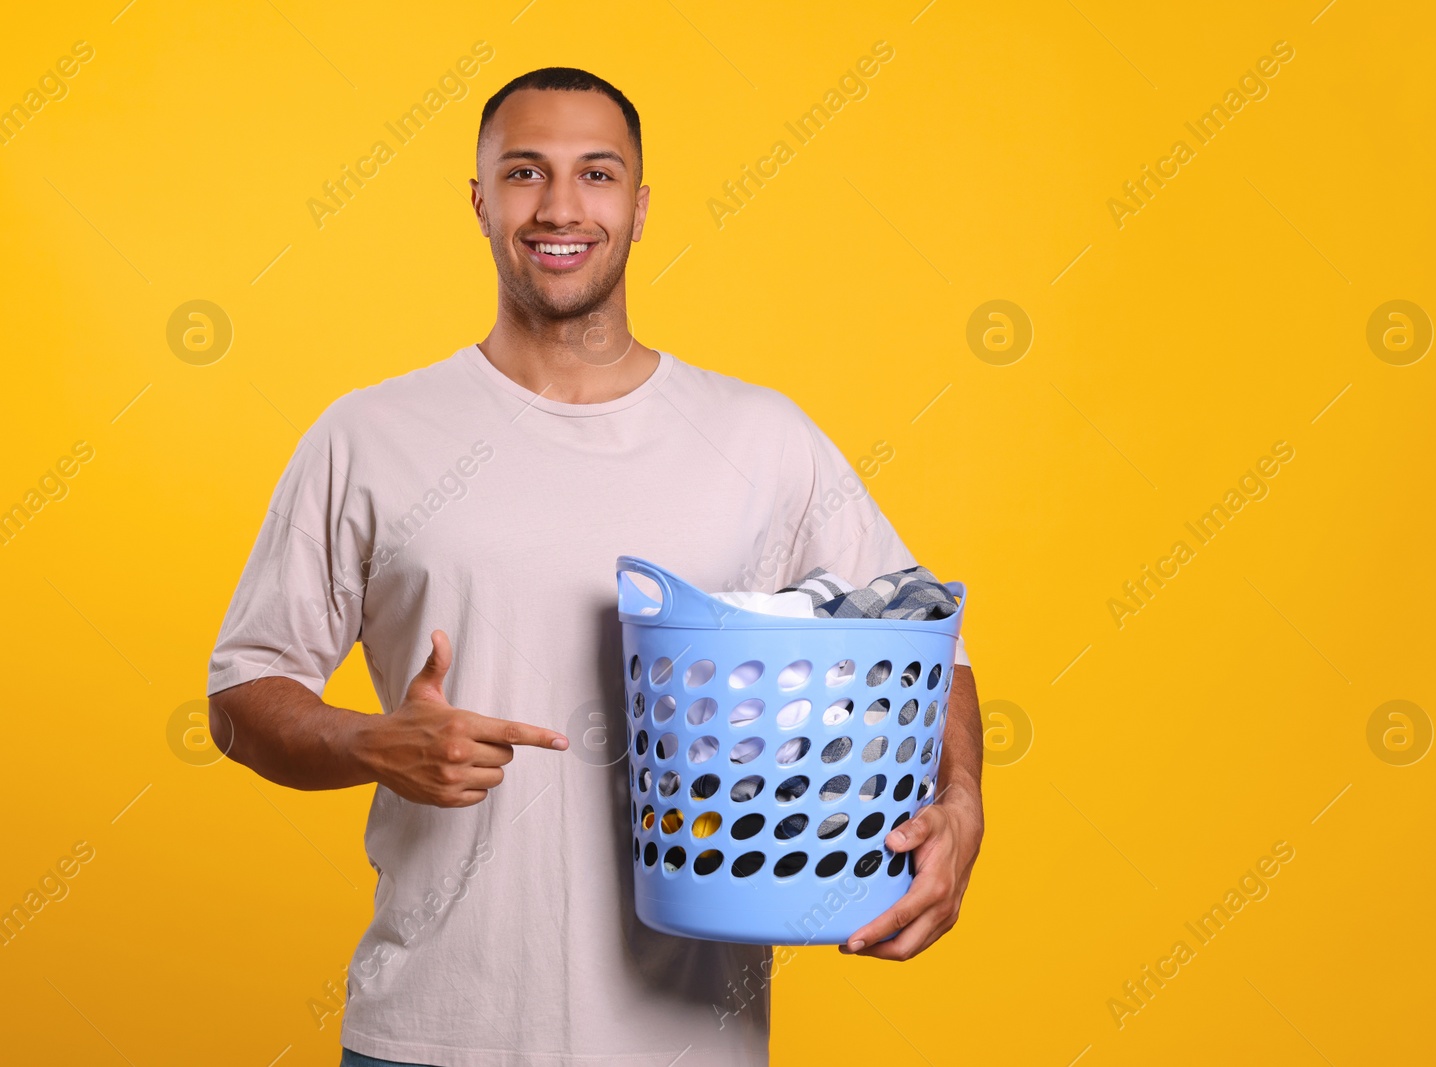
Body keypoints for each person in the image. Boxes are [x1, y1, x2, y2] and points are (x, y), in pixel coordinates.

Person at [206, 66, 985, 1067]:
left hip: (688, 1043)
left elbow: (929, 643)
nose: (560, 207)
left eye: (597, 174)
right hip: (432, 1034)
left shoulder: (760, 436)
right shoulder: (369, 435)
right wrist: (371, 741)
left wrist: (958, 806)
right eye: (524, 172)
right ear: (480, 200)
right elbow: (241, 691)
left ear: (641, 206)